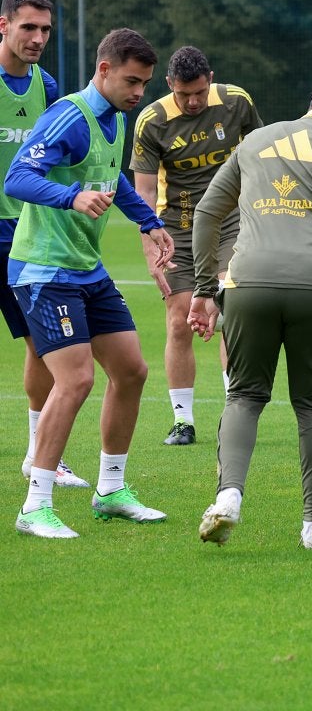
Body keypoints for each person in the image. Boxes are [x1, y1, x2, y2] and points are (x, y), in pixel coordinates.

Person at [191, 68, 312, 551]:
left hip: (246, 282)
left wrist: (202, 285)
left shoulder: (255, 139)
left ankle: (229, 496)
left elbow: (206, 213)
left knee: (244, 396)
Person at [8, 27, 175, 539]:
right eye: (130, 81)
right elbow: (16, 177)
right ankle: (34, 505)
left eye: (144, 84)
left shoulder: (113, 119)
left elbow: (113, 177)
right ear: (103, 70)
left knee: (131, 370)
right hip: (43, 270)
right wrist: (71, 197)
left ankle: (111, 491)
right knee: (76, 379)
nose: (137, 93)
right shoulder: (69, 116)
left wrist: (147, 220)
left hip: (86, 269)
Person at [131, 45, 263, 447]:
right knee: (179, 321)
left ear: (211, 80)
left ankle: (233, 413)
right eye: (184, 93)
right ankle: (183, 421)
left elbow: (262, 154)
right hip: (178, 229)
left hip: (230, 222)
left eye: (200, 93)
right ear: (170, 84)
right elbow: (145, 190)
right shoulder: (152, 121)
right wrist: (150, 247)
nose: (193, 102)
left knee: (228, 308)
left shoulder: (236, 102)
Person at [1, 0, 89, 489]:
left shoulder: (47, 86)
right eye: (28, 27)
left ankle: (40, 454)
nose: (37, 38)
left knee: (42, 344)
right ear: (4, 25)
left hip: (21, 236)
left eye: (45, 30)